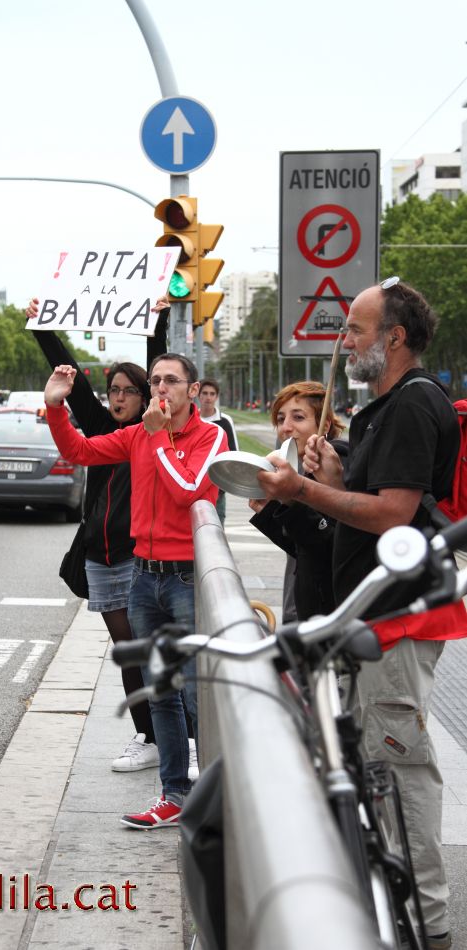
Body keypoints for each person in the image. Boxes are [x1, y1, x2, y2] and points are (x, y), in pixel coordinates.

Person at [256, 277, 467, 950]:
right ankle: (384, 905)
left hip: (396, 622)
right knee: (374, 765)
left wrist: (305, 490)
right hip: (371, 619)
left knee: (398, 770)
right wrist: (330, 482)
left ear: (392, 338)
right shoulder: (381, 407)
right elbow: (367, 498)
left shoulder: (409, 405)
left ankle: (426, 927)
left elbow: (392, 514)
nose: (343, 341)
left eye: (353, 329)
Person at [43, 353, 228, 829]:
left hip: (187, 578)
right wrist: (55, 409)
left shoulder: (212, 437)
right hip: (143, 578)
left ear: (193, 389)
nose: (162, 389)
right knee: (161, 693)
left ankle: (219, 795)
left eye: (172, 381)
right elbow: (80, 453)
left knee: (196, 695)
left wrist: (160, 437)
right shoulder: (138, 435)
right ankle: (174, 796)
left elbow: (189, 490)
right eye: (158, 381)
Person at [25, 296, 170, 773]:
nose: (120, 396)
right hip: (100, 557)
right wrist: (42, 326)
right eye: (114, 390)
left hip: (139, 555)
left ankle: (169, 737)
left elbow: (159, 362)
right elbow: (70, 380)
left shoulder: (150, 430)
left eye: (130, 389)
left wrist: (159, 319)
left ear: (146, 395)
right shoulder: (103, 428)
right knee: (128, 650)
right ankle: (148, 736)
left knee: (148, 647)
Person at [248, 381, 346, 620]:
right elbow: (302, 547)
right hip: (307, 607)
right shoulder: (300, 468)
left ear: (324, 425)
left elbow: (336, 545)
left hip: (335, 614)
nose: (286, 428)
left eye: (298, 417)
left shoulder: (338, 459)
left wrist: (290, 501)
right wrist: (268, 510)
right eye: (281, 419)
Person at [198, 378, 238, 525]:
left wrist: (225, 483)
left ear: (216, 397)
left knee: (217, 529)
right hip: (195, 488)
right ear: (198, 395)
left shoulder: (225, 421)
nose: (208, 397)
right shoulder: (192, 419)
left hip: (218, 488)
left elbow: (233, 453)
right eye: (205, 393)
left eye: (212, 394)